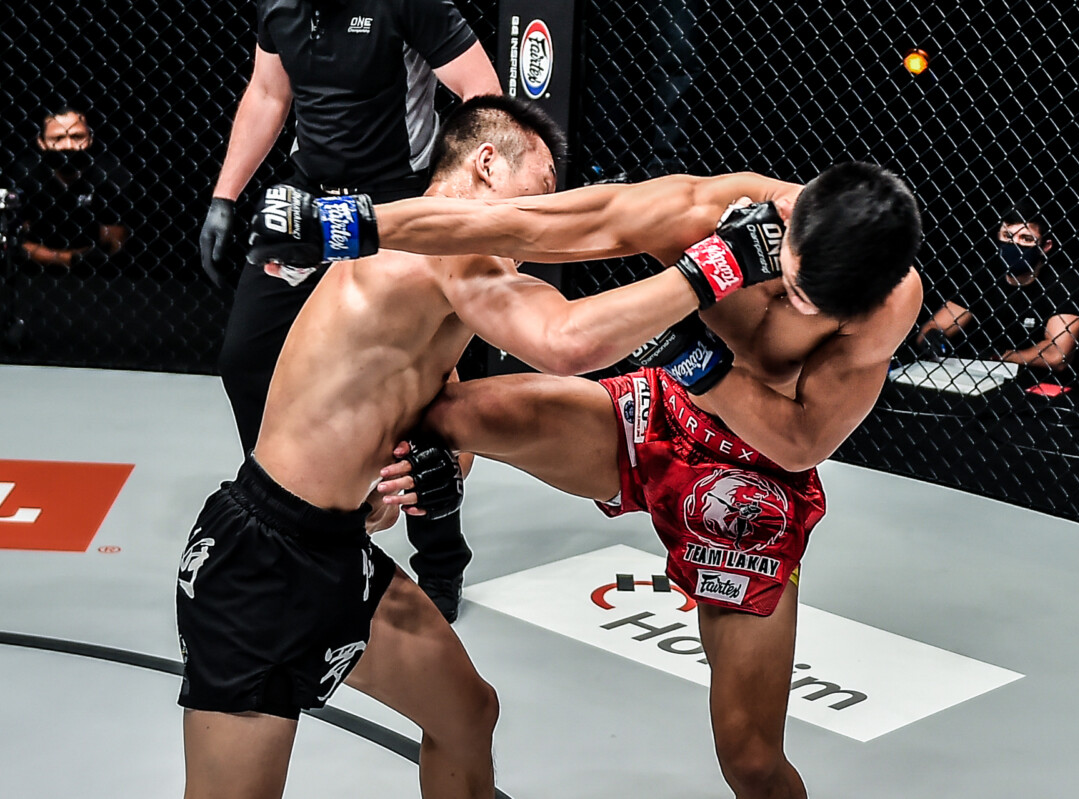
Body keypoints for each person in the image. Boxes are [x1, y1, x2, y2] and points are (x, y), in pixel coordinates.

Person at [253, 160, 923, 797]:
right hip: (665, 414)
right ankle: (379, 507)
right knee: (448, 416)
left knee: (751, 760)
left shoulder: (888, 303)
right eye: (796, 283)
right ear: (790, 221)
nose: (799, 306)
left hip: (757, 481)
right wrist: (349, 224)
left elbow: (801, 442)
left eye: (818, 306)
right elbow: (532, 222)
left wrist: (699, 363)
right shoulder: (712, 211)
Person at [181, 95, 785, 799]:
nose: (543, 218)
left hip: (334, 548)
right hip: (258, 564)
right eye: (541, 189)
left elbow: (437, 409)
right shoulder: (445, 248)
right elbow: (564, 343)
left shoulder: (419, 258)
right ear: (487, 164)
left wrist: (430, 470)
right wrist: (714, 267)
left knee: (468, 714)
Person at [198, 0, 502, 621]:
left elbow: (483, 97)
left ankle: (440, 557)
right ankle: (291, 522)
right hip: (310, 205)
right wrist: (225, 197)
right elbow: (268, 92)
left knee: (413, 387)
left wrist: (452, 201)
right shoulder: (279, 3)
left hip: (394, 203)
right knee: (246, 358)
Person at [916, 201, 1079, 390]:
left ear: (1045, 246)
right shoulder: (983, 275)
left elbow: (1057, 355)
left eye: (1026, 239)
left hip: (1035, 384)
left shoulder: (1061, 283)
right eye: (1008, 236)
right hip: (980, 380)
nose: (1015, 245)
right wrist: (931, 337)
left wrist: (1000, 356)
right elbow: (934, 325)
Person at [15, 106, 130, 272]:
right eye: (58, 138)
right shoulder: (25, 175)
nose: (68, 145)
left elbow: (113, 243)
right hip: (33, 272)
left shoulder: (110, 175)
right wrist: (69, 258)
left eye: (77, 137)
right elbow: (16, 242)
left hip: (97, 273)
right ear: (41, 142)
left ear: (89, 139)